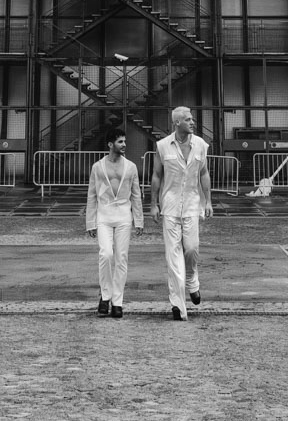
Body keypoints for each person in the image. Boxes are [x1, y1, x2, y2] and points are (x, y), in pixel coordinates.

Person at [150, 105, 213, 320]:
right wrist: (153, 204)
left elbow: (204, 173)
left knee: (191, 249)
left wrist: (209, 202)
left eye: (192, 119)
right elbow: (157, 176)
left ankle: (192, 280)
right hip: (170, 207)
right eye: (188, 119)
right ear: (177, 123)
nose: (192, 122)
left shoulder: (201, 145)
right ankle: (177, 305)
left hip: (193, 206)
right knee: (173, 256)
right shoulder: (162, 146)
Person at [85, 125, 144, 317]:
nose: (124, 144)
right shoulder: (98, 166)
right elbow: (92, 195)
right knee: (106, 255)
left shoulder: (131, 167)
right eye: (120, 141)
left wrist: (139, 220)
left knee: (121, 258)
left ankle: (117, 301)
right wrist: (90, 222)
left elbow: (136, 195)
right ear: (110, 144)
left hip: (124, 217)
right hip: (104, 215)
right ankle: (105, 296)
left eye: (125, 141)